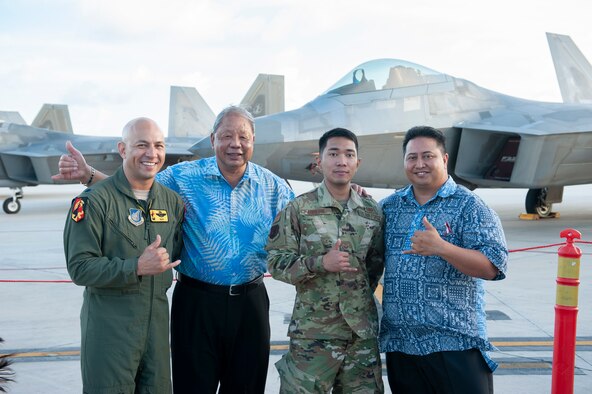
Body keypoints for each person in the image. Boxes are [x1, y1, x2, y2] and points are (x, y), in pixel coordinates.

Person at [54, 106, 295, 393]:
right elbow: (133, 189)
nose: (235, 144)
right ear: (212, 139)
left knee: (246, 386)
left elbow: (306, 220)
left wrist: (343, 191)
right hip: (196, 303)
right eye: (226, 136)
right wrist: (89, 175)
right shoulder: (182, 178)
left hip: (250, 303)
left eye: (243, 137)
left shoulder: (274, 187)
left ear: (253, 140)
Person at [379, 125, 508, 394]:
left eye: (428, 156)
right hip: (402, 346)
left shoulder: (470, 206)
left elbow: (493, 267)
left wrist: (442, 248)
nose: (420, 164)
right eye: (412, 157)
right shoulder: (389, 207)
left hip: (455, 345)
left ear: (444, 159)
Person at [62, 118, 184, 393]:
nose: (151, 154)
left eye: (158, 145)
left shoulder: (172, 202)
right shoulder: (93, 201)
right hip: (109, 332)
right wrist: (136, 267)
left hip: (156, 332)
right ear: (122, 149)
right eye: (141, 145)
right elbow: (80, 267)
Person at [266, 128, 384, 393]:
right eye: (333, 153)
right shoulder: (298, 209)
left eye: (349, 155)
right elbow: (276, 263)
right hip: (313, 336)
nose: (341, 161)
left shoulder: (372, 212)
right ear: (319, 161)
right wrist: (319, 264)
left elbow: (374, 266)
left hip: (360, 337)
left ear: (357, 163)